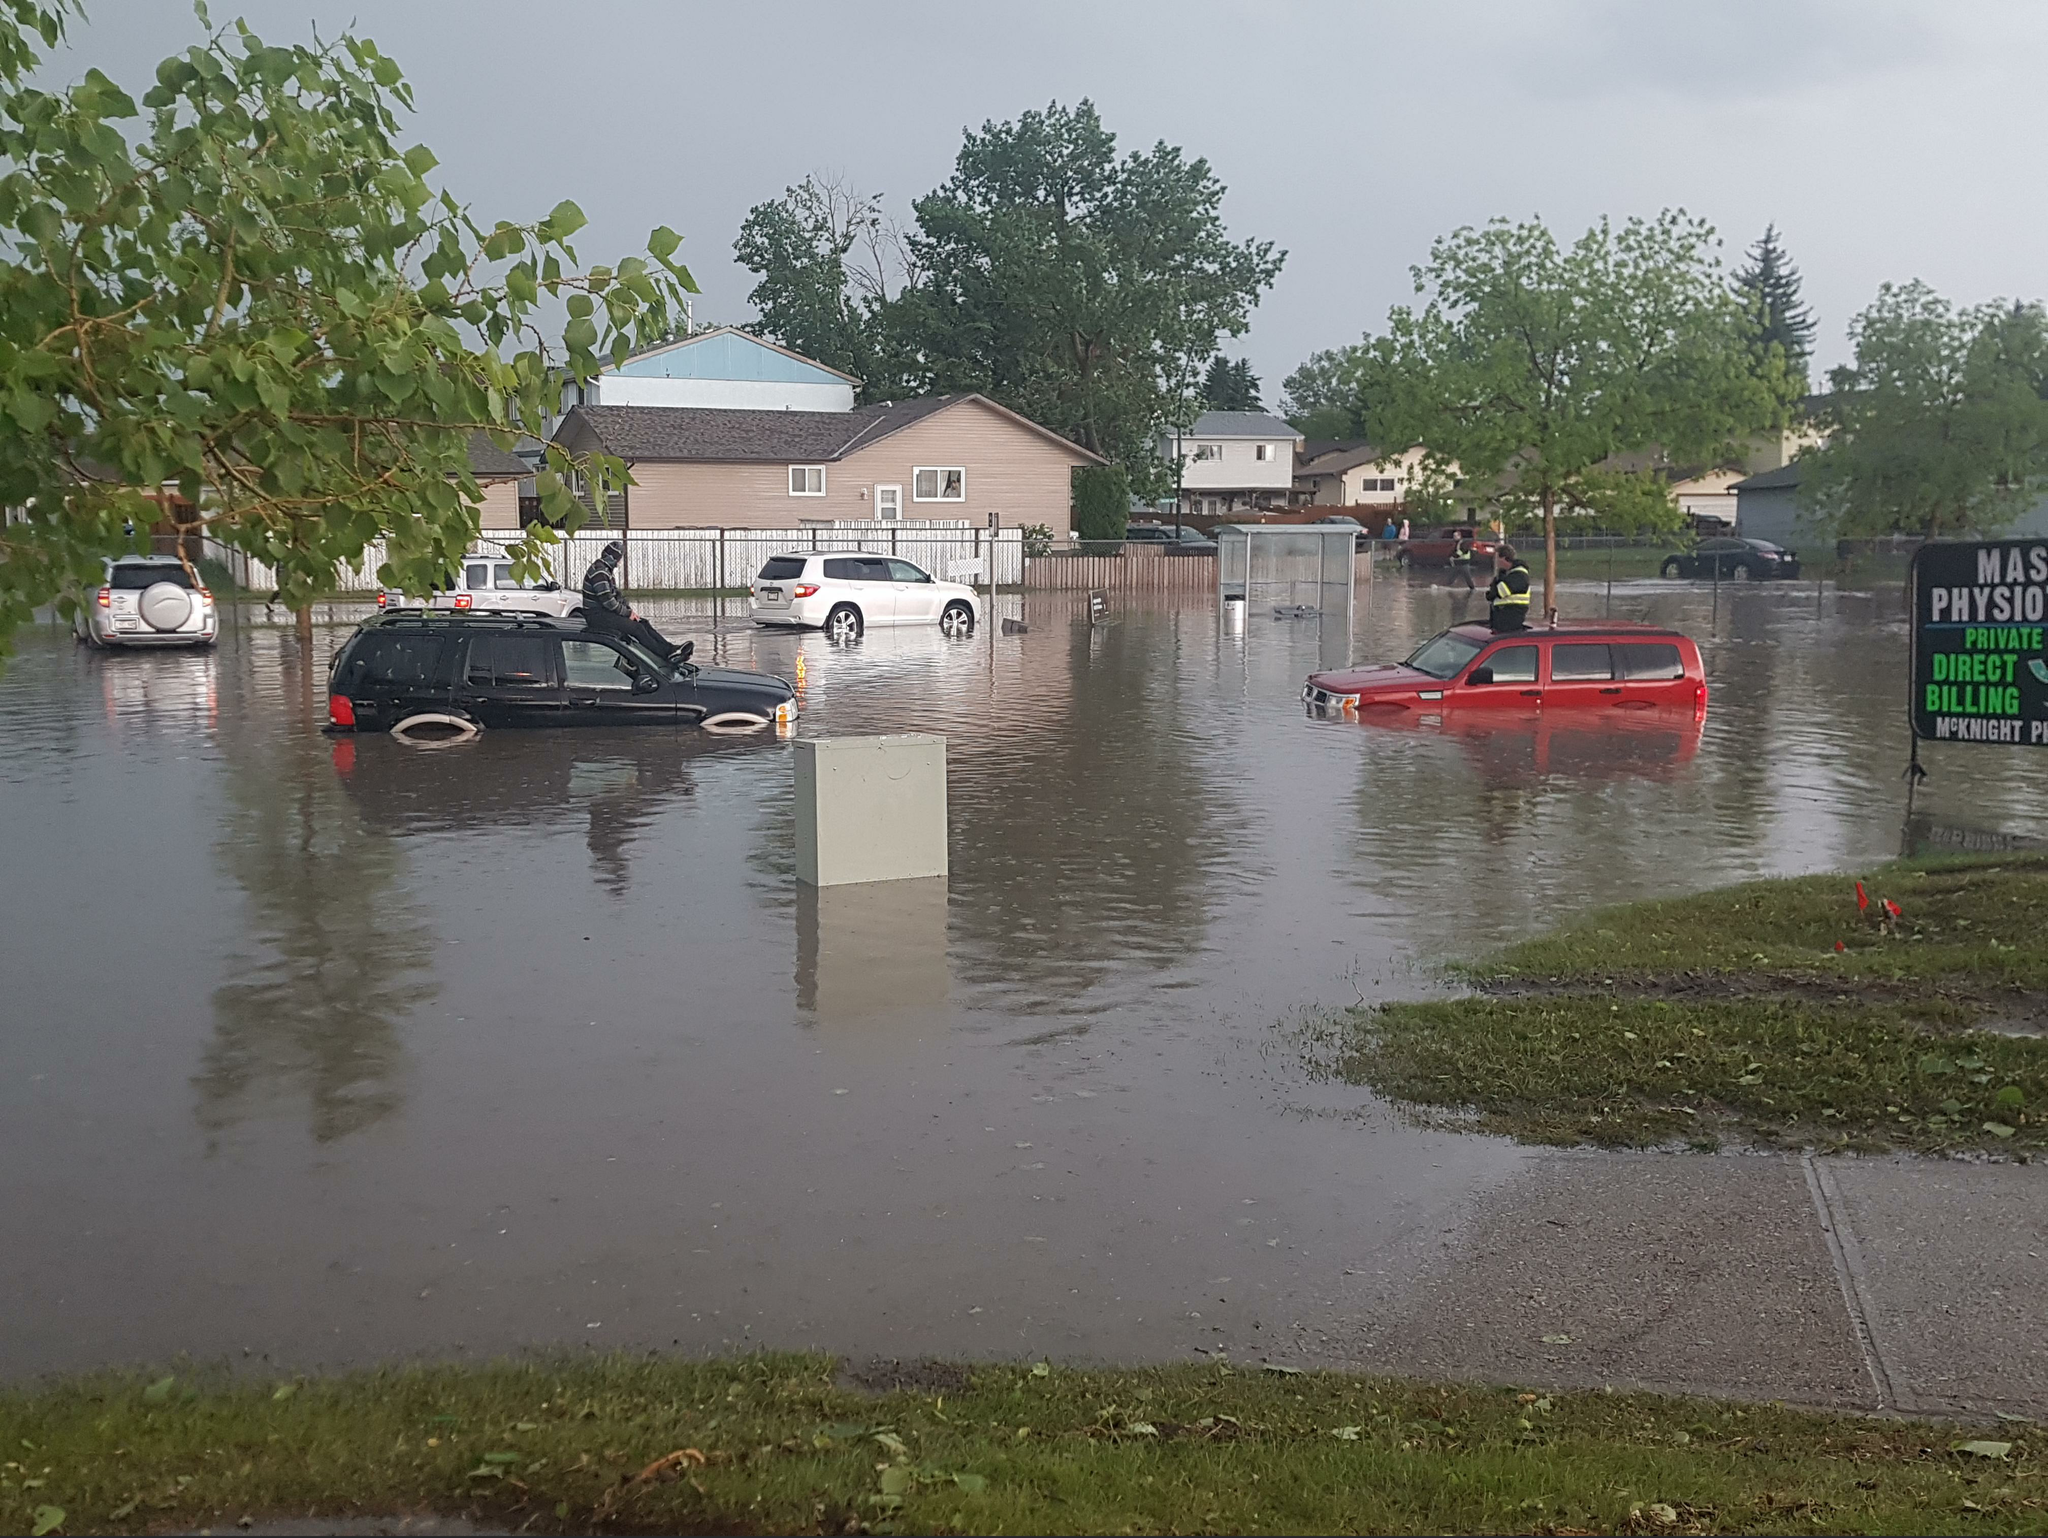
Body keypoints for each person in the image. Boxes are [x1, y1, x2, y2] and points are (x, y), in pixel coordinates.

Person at [580, 540, 693, 665]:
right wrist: (627, 613)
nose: (620, 562)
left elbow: (617, 597)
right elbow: (609, 602)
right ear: (615, 558)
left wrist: (631, 612)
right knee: (637, 629)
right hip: (597, 616)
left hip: (604, 613)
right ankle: (664, 655)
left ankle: (670, 650)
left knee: (642, 623)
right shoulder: (599, 572)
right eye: (620, 558)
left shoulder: (605, 570)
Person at [1486, 543, 1532, 632]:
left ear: (1504, 558)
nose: (1496, 562)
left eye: (1497, 559)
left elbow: (1500, 592)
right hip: (1502, 619)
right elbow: (1491, 594)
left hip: (1510, 620)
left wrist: (1499, 578)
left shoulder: (1519, 575)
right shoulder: (1509, 574)